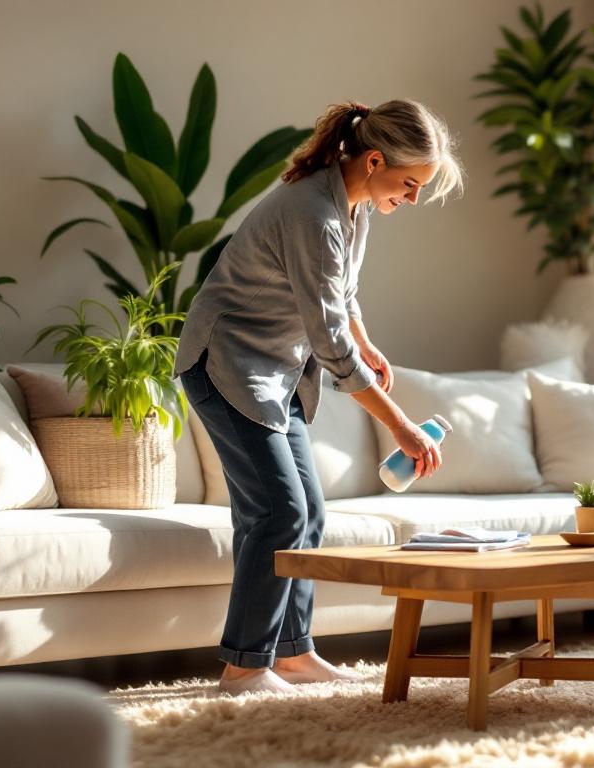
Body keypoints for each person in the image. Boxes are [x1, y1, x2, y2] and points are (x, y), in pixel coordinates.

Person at [173, 99, 463, 694]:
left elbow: (341, 294)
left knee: (309, 510)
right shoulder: (312, 213)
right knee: (278, 512)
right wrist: (400, 426)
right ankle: (244, 668)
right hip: (225, 365)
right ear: (375, 161)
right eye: (409, 185)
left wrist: (367, 340)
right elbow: (330, 344)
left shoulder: (353, 206)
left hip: (276, 373)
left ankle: (292, 654)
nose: (411, 200)